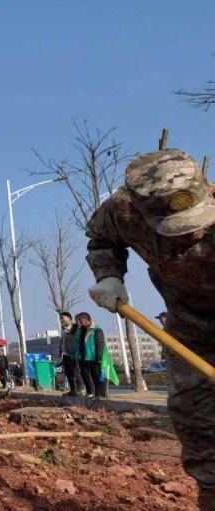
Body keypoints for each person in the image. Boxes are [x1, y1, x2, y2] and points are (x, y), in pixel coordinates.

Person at [85, 149, 215, 509]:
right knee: (196, 418)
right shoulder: (122, 210)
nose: (194, 232)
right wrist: (109, 275)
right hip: (187, 329)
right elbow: (101, 239)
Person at [58, 311, 82, 396]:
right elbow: (62, 341)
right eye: (60, 318)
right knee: (68, 373)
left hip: (73, 354)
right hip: (65, 354)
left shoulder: (75, 328)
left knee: (75, 372)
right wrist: (60, 353)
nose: (61, 320)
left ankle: (79, 390)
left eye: (62, 318)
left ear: (69, 318)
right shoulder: (63, 329)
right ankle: (72, 390)